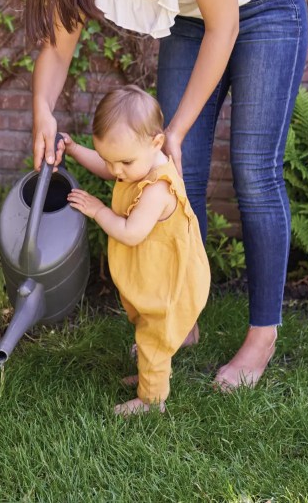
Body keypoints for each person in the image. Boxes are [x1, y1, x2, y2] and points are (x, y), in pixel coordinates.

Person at [21, 0, 308, 391]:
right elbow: (57, 49)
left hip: (264, 8)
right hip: (192, 19)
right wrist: (42, 110)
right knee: (181, 172)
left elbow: (225, 27)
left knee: (254, 170)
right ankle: (182, 316)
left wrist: (174, 128)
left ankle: (261, 336)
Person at [62, 86, 210, 415]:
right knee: (146, 328)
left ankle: (151, 400)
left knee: (152, 336)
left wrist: (99, 210)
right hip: (153, 270)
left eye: (123, 163)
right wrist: (73, 149)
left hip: (168, 280)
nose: (116, 172)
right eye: (110, 161)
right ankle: (149, 373)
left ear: (157, 142)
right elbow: (106, 166)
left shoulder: (157, 187)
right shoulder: (135, 163)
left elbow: (131, 233)